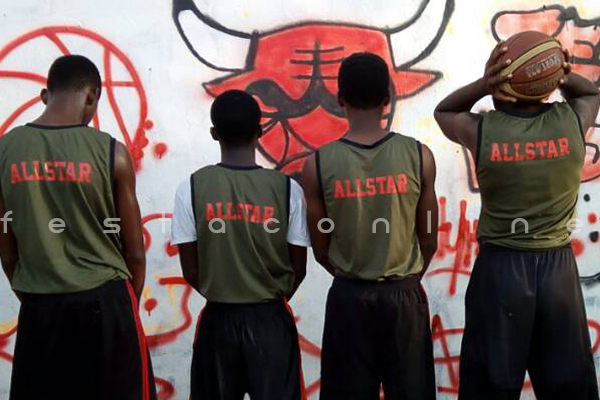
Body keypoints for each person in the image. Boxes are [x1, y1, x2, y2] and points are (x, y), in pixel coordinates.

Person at [434, 41, 600, 400]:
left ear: (501, 87)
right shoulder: (571, 122)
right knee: (570, 387)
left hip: (501, 269)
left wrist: (484, 83)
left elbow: (444, 110)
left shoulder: (483, 131)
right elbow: (590, 93)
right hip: (558, 271)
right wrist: (560, 73)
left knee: (489, 387)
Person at [0, 55, 156, 400]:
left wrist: (40, 296)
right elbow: (135, 253)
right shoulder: (112, 152)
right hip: (107, 304)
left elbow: (8, 254)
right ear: (92, 96)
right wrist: (123, 305)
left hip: (40, 308)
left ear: (45, 95)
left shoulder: (5, 151)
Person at [302, 52, 439, 400]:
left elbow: (321, 249)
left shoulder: (317, 164)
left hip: (349, 298)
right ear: (387, 99)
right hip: (404, 297)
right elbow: (429, 240)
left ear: (340, 100)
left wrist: (355, 275)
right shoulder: (419, 155)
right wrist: (404, 279)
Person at [171, 89, 310, 400]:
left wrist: (226, 293)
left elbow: (190, 270)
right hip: (271, 321)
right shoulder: (288, 189)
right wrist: (266, 298)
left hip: (218, 321)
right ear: (260, 131)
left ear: (214, 133)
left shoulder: (191, 187)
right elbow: (298, 268)